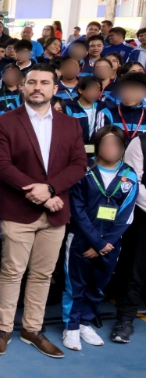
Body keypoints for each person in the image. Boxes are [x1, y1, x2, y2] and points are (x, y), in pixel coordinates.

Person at [0, 64, 88, 358]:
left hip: (56, 212)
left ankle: (32, 329)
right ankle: (4, 329)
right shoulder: (5, 122)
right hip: (18, 210)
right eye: (32, 82)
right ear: (23, 87)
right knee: (12, 272)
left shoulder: (70, 125)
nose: (37, 87)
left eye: (44, 82)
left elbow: (79, 165)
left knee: (43, 275)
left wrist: (51, 189)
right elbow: (1, 165)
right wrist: (42, 195)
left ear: (55, 89)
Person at [63, 126, 137, 350]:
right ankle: (71, 327)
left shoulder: (130, 176)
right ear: (97, 146)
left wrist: (105, 244)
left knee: (98, 286)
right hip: (81, 239)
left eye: (116, 144)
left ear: (123, 148)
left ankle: (85, 323)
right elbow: (77, 210)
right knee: (75, 285)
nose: (111, 148)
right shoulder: (83, 171)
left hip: (110, 244)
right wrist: (97, 242)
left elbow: (126, 215)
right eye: (106, 143)